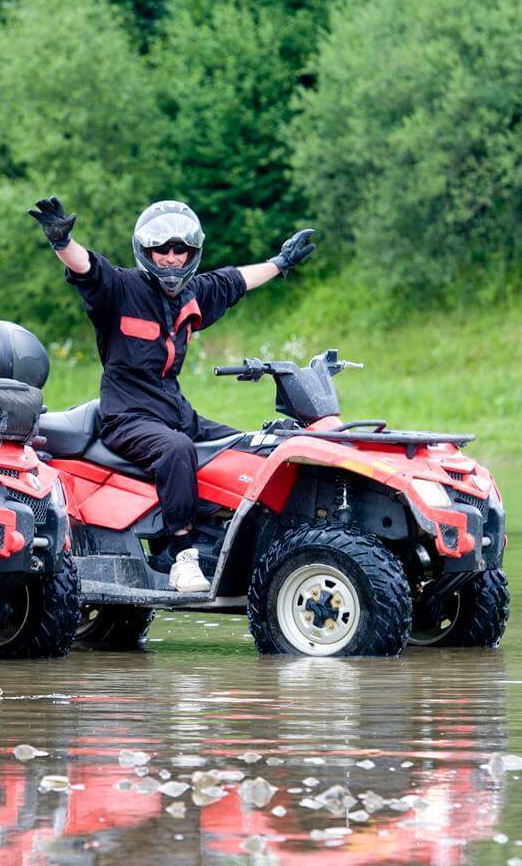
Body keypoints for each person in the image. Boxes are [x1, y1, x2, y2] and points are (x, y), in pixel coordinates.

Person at [27, 196, 316, 593]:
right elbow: (88, 268)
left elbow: (235, 281)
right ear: (145, 251)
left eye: (181, 249)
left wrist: (280, 263)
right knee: (176, 449)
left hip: (175, 411)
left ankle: (262, 545)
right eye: (162, 249)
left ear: (192, 253)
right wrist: (61, 242)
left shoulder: (194, 293)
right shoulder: (120, 289)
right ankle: (182, 555)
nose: (171, 257)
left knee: (255, 446)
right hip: (127, 418)